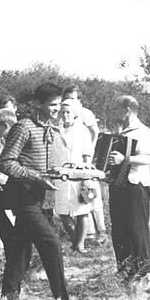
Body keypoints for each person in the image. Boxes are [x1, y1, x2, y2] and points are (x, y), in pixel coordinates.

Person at [0, 82, 69, 300]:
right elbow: (5, 163)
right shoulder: (23, 127)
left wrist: (55, 173)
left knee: (20, 252)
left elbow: (46, 164)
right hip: (22, 195)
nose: (56, 109)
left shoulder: (52, 128)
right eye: (52, 105)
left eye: (59, 104)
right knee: (51, 243)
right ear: (38, 104)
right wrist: (36, 176)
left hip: (42, 197)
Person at [108, 95, 150, 283]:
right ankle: (125, 270)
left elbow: (147, 158)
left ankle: (143, 271)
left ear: (127, 109)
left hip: (136, 185)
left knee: (136, 229)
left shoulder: (142, 131)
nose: (113, 112)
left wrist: (124, 159)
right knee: (119, 229)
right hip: (119, 185)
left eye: (116, 108)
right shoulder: (122, 130)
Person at [62, 85, 107, 243]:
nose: (69, 101)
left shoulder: (85, 113)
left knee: (91, 193)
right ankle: (88, 234)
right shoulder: (63, 114)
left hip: (85, 158)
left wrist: (90, 152)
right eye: (67, 97)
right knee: (79, 198)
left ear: (79, 100)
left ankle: (101, 231)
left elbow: (94, 132)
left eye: (73, 98)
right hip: (72, 161)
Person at [0, 108, 32, 269]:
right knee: (5, 231)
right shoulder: (3, 143)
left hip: (11, 190)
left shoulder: (16, 143)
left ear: (5, 125)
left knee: (17, 232)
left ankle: (20, 266)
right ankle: (13, 263)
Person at [53, 99, 95, 254]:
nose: (65, 115)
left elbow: (87, 153)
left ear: (75, 113)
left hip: (79, 174)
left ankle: (80, 244)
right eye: (62, 112)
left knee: (82, 210)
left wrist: (86, 177)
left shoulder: (82, 130)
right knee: (63, 212)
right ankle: (75, 240)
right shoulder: (55, 130)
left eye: (68, 112)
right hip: (61, 176)